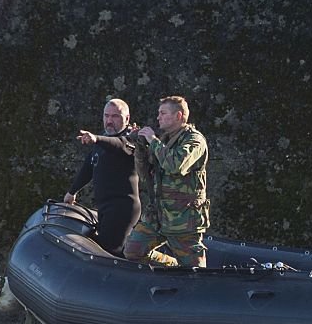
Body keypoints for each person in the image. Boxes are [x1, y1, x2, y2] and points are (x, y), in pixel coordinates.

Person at [123, 96, 210, 268]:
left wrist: (152, 140)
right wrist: (140, 146)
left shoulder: (194, 140)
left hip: (183, 218)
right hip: (158, 215)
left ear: (178, 116)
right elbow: (145, 174)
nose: (158, 117)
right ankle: (172, 267)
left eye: (163, 113)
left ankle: (186, 273)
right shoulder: (165, 140)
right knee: (133, 251)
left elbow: (175, 165)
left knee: (195, 271)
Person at [64, 98, 141, 257]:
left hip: (122, 209)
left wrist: (97, 138)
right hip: (105, 208)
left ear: (127, 119)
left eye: (115, 116)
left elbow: (119, 145)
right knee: (103, 248)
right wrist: (72, 192)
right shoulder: (102, 142)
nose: (109, 121)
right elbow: (89, 167)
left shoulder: (131, 140)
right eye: (106, 116)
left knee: (111, 253)